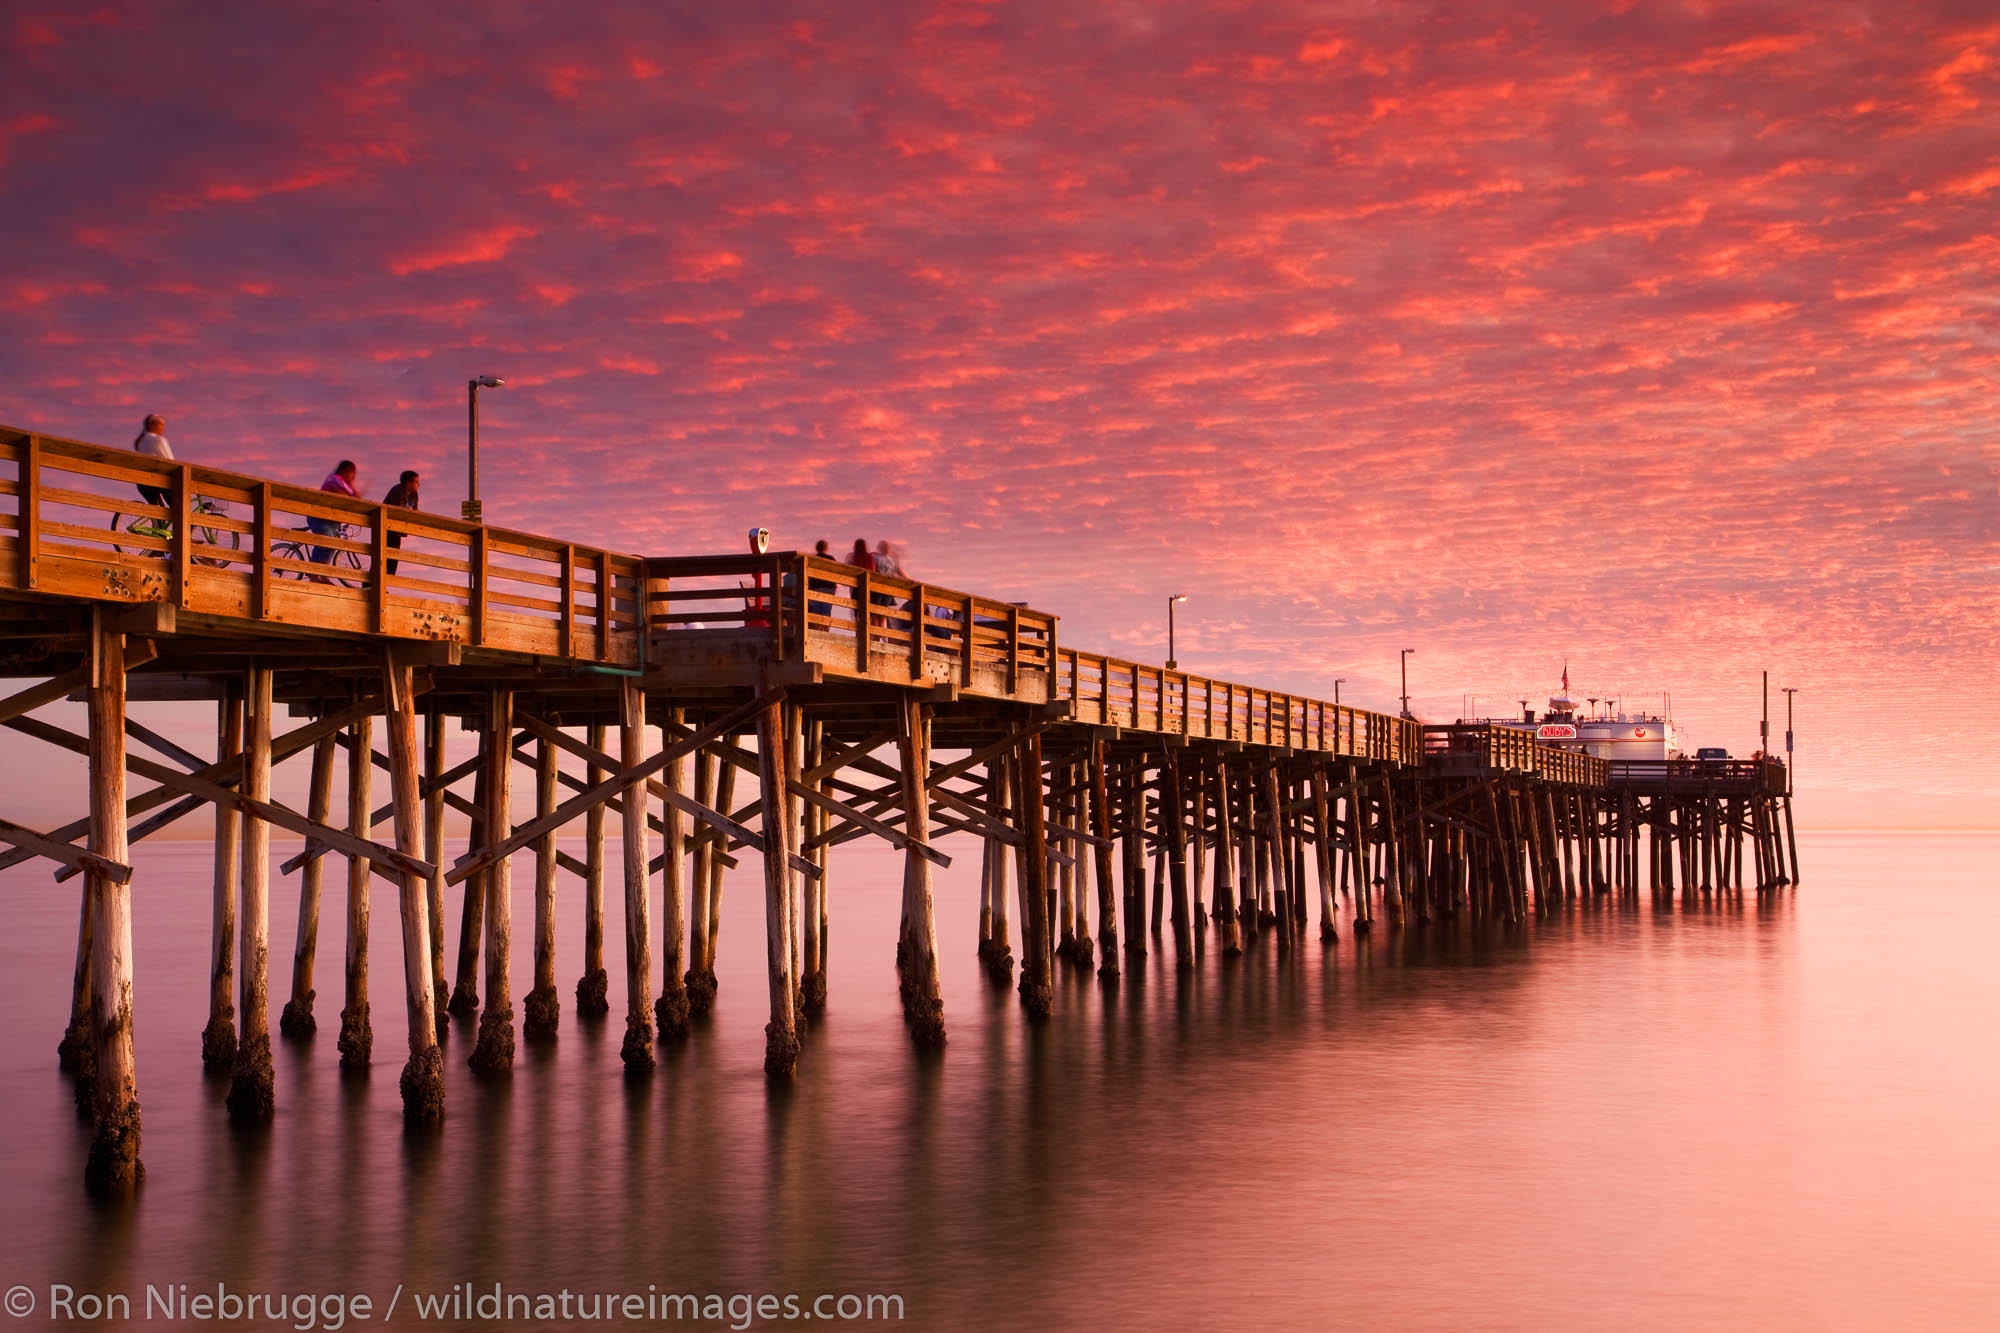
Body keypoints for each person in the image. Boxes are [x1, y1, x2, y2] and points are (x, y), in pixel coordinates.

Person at [309, 460, 359, 567]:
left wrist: (351, 485)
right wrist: (351, 489)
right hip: (320, 518)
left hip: (331, 520)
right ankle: (315, 575)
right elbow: (345, 496)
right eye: (351, 472)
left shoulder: (345, 484)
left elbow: (357, 499)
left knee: (328, 546)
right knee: (328, 545)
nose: (353, 475)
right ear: (342, 471)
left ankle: (320, 575)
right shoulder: (334, 480)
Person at [381, 470, 418, 577]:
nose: (418, 485)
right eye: (416, 482)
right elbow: (396, 510)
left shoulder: (414, 495)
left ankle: (385, 583)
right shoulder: (397, 490)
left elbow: (415, 512)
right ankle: (371, 584)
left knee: (393, 559)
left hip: (398, 530)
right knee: (383, 557)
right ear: (408, 482)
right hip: (386, 528)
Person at [132, 414, 173, 509]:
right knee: (179, 507)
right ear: (151, 425)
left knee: (157, 511)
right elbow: (171, 461)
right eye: (160, 424)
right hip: (157, 480)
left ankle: (158, 523)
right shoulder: (159, 440)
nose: (163, 427)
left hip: (142, 483)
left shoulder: (140, 441)